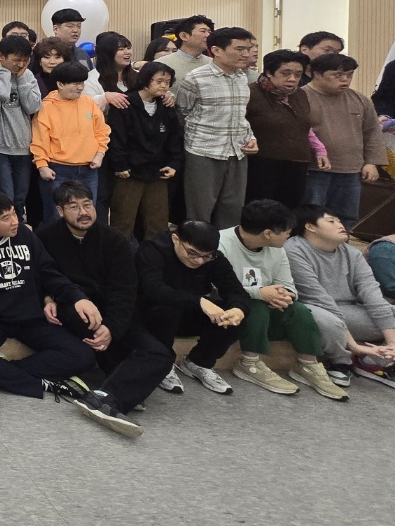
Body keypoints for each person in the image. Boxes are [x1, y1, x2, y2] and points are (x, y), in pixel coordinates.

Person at [36, 184, 173, 436]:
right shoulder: (46, 236)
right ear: (60, 211)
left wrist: (111, 327)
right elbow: (41, 274)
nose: (83, 212)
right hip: (74, 308)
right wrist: (47, 297)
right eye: (74, 207)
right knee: (93, 331)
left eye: (87, 204)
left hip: (113, 311)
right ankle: (115, 395)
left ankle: (104, 397)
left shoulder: (115, 240)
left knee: (160, 354)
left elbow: (125, 289)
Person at [0, 189, 99, 410]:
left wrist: (77, 297)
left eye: (14, 213)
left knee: (83, 356)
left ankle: (13, 372)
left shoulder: (23, 233)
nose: (16, 221)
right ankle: (43, 383)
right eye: (6, 218)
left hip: (31, 316)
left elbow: (48, 271)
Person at [216, 200, 341, 398]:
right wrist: (260, 293)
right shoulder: (220, 243)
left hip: (267, 310)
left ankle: (308, 365)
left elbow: (288, 284)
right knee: (255, 305)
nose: (289, 235)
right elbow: (214, 288)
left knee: (298, 310)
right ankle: (249, 363)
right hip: (227, 312)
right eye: (286, 231)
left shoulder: (278, 248)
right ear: (268, 234)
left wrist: (285, 295)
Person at [285, 204, 395, 389]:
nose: (340, 224)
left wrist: (392, 342)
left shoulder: (352, 253)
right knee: (329, 320)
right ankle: (340, 362)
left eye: (339, 220)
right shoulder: (294, 249)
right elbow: (319, 298)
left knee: (385, 310)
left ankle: (374, 362)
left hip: (351, 311)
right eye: (331, 221)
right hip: (312, 309)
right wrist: (354, 346)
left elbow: (372, 295)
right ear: (310, 226)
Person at [134, 220, 247, 395]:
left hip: (188, 313)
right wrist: (200, 301)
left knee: (233, 315)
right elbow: (153, 290)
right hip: (150, 314)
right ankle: (161, 364)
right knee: (167, 308)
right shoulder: (153, 249)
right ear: (176, 239)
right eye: (192, 253)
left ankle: (199, 362)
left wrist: (237, 310)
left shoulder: (214, 258)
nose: (199, 260)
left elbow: (236, 291)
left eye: (206, 256)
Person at [174, 27, 259, 228]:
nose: (246, 54)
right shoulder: (196, 78)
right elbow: (182, 113)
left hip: (238, 151)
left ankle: (225, 247)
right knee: (200, 212)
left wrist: (251, 137)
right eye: (239, 49)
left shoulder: (242, 77)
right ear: (216, 50)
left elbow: (240, 115)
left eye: (248, 49)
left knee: (233, 210)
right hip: (203, 152)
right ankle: (198, 246)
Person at [303, 53, 383, 227]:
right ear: (317, 74)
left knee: (347, 217)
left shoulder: (360, 100)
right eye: (337, 75)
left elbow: (372, 132)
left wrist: (371, 162)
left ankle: (342, 244)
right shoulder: (301, 97)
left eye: (349, 75)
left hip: (351, 170)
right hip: (313, 170)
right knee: (312, 216)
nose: (345, 80)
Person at [107, 61, 182, 239]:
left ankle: (155, 255)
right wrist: (120, 165)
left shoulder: (166, 105)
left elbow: (175, 138)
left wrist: (174, 164)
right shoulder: (125, 103)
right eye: (159, 81)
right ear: (145, 80)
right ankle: (120, 255)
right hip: (129, 173)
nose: (164, 86)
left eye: (167, 82)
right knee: (123, 221)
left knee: (158, 223)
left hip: (158, 171)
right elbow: (116, 138)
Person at [0, 34, 41, 223]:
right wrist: (1, 71)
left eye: (25, 60)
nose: (21, 65)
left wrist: (22, 80)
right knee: (5, 198)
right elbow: (1, 93)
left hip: (23, 147)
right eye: (16, 60)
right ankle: (4, 232)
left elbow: (33, 106)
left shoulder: (27, 76)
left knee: (19, 198)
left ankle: (16, 232)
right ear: (1, 56)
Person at [30, 61, 109, 222]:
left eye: (82, 83)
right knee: (56, 217)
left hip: (89, 169)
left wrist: (100, 154)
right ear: (60, 84)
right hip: (57, 170)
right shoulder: (46, 107)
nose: (80, 87)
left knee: (87, 216)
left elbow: (102, 131)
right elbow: (39, 139)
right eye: (75, 83)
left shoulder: (88, 102)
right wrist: (42, 165)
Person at [245, 49, 321, 208]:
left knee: (290, 211)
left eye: (298, 74)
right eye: (286, 73)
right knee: (261, 211)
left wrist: (319, 150)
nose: (292, 79)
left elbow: (305, 127)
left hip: (298, 163)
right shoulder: (250, 93)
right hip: (261, 164)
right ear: (269, 73)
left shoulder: (300, 94)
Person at [84, 32, 136, 112]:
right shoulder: (91, 80)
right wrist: (105, 98)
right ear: (107, 53)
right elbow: (87, 108)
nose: (127, 52)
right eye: (121, 49)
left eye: (128, 48)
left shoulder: (138, 75)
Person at [156, 15, 215, 83]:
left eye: (209, 32)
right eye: (203, 31)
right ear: (184, 36)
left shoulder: (213, 64)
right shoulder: (162, 64)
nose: (208, 35)